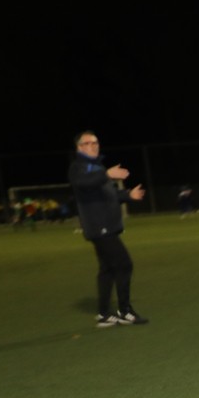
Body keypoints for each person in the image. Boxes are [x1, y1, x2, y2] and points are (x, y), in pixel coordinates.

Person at [67, 131, 148, 327]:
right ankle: (125, 311)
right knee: (124, 264)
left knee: (108, 269)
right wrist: (107, 174)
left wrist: (129, 195)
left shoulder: (97, 167)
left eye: (96, 142)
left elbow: (109, 193)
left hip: (108, 226)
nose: (94, 145)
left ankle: (103, 314)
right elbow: (82, 183)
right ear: (79, 148)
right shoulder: (78, 167)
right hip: (99, 226)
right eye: (88, 143)